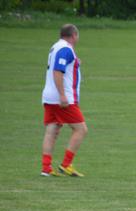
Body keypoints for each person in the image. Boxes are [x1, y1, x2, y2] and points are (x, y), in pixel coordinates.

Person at [41, 24, 87, 178]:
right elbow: (57, 70)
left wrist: (75, 62)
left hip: (49, 97)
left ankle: (46, 168)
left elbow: (62, 66)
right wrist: (62, 95)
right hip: (62, 98)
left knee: (52, 130)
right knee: (81, 130)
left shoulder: (55, 47)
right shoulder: (66, 49)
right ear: (74, 35)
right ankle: (66, 164)